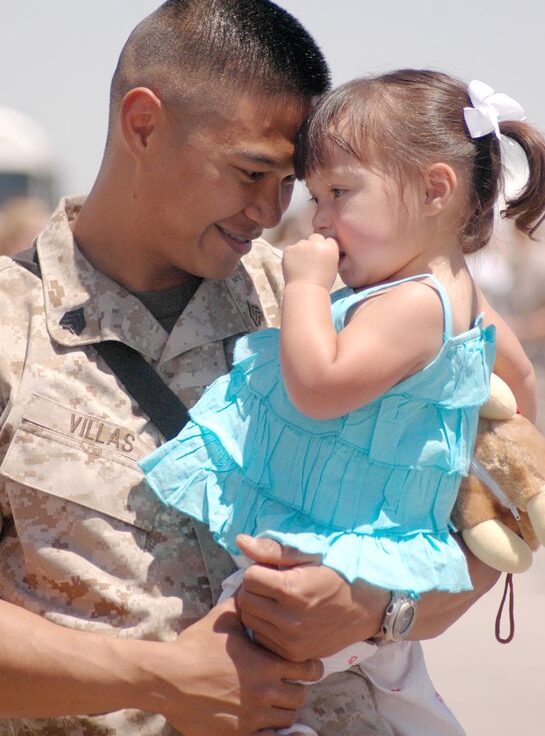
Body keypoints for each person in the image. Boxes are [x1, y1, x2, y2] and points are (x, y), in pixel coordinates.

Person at [0, 0, 502, 736]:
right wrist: (161, 680)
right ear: (143, 124)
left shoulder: (339, 299)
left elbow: (495, 528)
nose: (273, 213)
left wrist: (376, 609)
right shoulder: (14, 328)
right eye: (249, 174)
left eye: (290, 184)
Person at [140, 71, 545, 734]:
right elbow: (519, 380)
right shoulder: (456, 290)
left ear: (434, 189)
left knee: (240, 644)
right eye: (315, 195)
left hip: (333, 544)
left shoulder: (413, 305)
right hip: (376, 543)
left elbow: (319, 387)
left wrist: (303, 289)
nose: (318, 217)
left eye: (338, 193)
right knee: (396, 689)